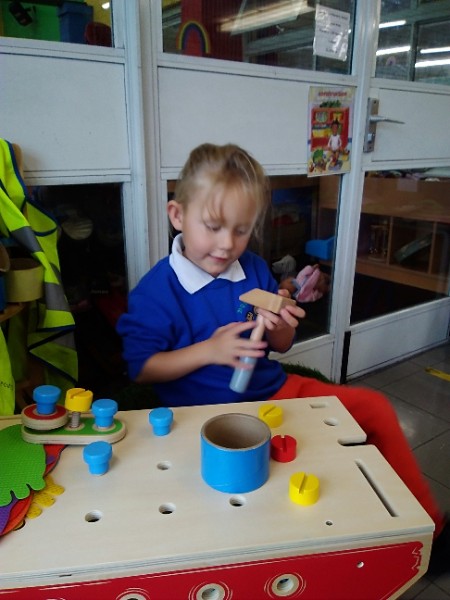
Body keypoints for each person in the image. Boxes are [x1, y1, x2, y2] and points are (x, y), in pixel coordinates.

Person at [117, 143, 448, 574]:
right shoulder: (156, 292)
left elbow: (284, 344)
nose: (226, 244)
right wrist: (209, 351)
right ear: (177, 215)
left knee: (374, 407)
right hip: (201, 415)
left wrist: (279, 324)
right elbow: (142, 369)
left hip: (274, 391)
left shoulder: (253, 268)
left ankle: (430, 533)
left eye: (241, 230)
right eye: (213, 227)